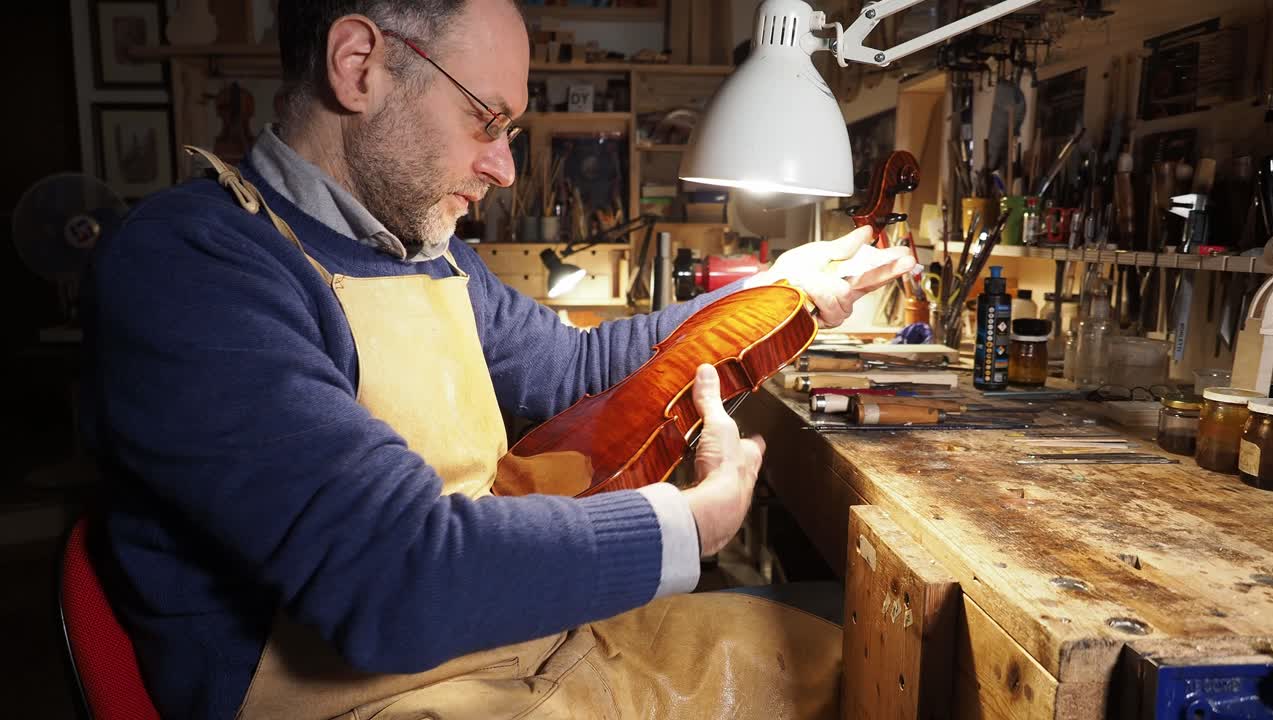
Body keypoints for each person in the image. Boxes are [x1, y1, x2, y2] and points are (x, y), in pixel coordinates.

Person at [82, 1, 915, 718]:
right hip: (377, 697)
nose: (505, 168)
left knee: (878, 673)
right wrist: (686, 525)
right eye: (486, 119)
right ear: (359, 64)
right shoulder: (194, 267)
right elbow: (392, 575)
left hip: (515, 640)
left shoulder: (427, 253)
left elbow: (578, 369)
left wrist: (787, 288)